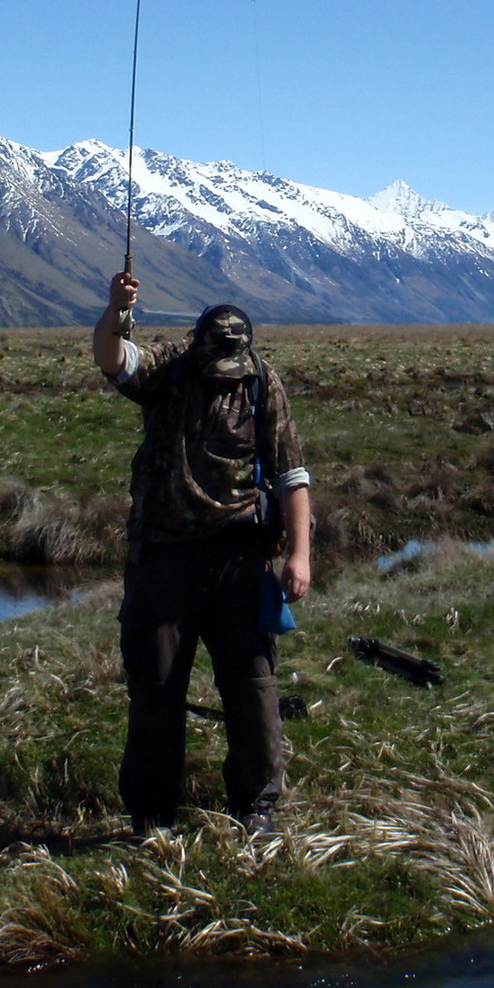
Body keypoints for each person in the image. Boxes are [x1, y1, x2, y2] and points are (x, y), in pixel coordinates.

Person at [92, 270, 312, 836]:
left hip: (240, 559)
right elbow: (112, 359)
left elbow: (292, 474)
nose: (223, 378)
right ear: (197, 345)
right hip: (165, 558)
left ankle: (258, 806)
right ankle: (152, 814)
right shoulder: (168, 369)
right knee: (157, 685)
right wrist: (116, 309)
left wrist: (299, 556)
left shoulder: (263, 383)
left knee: (253, 684)